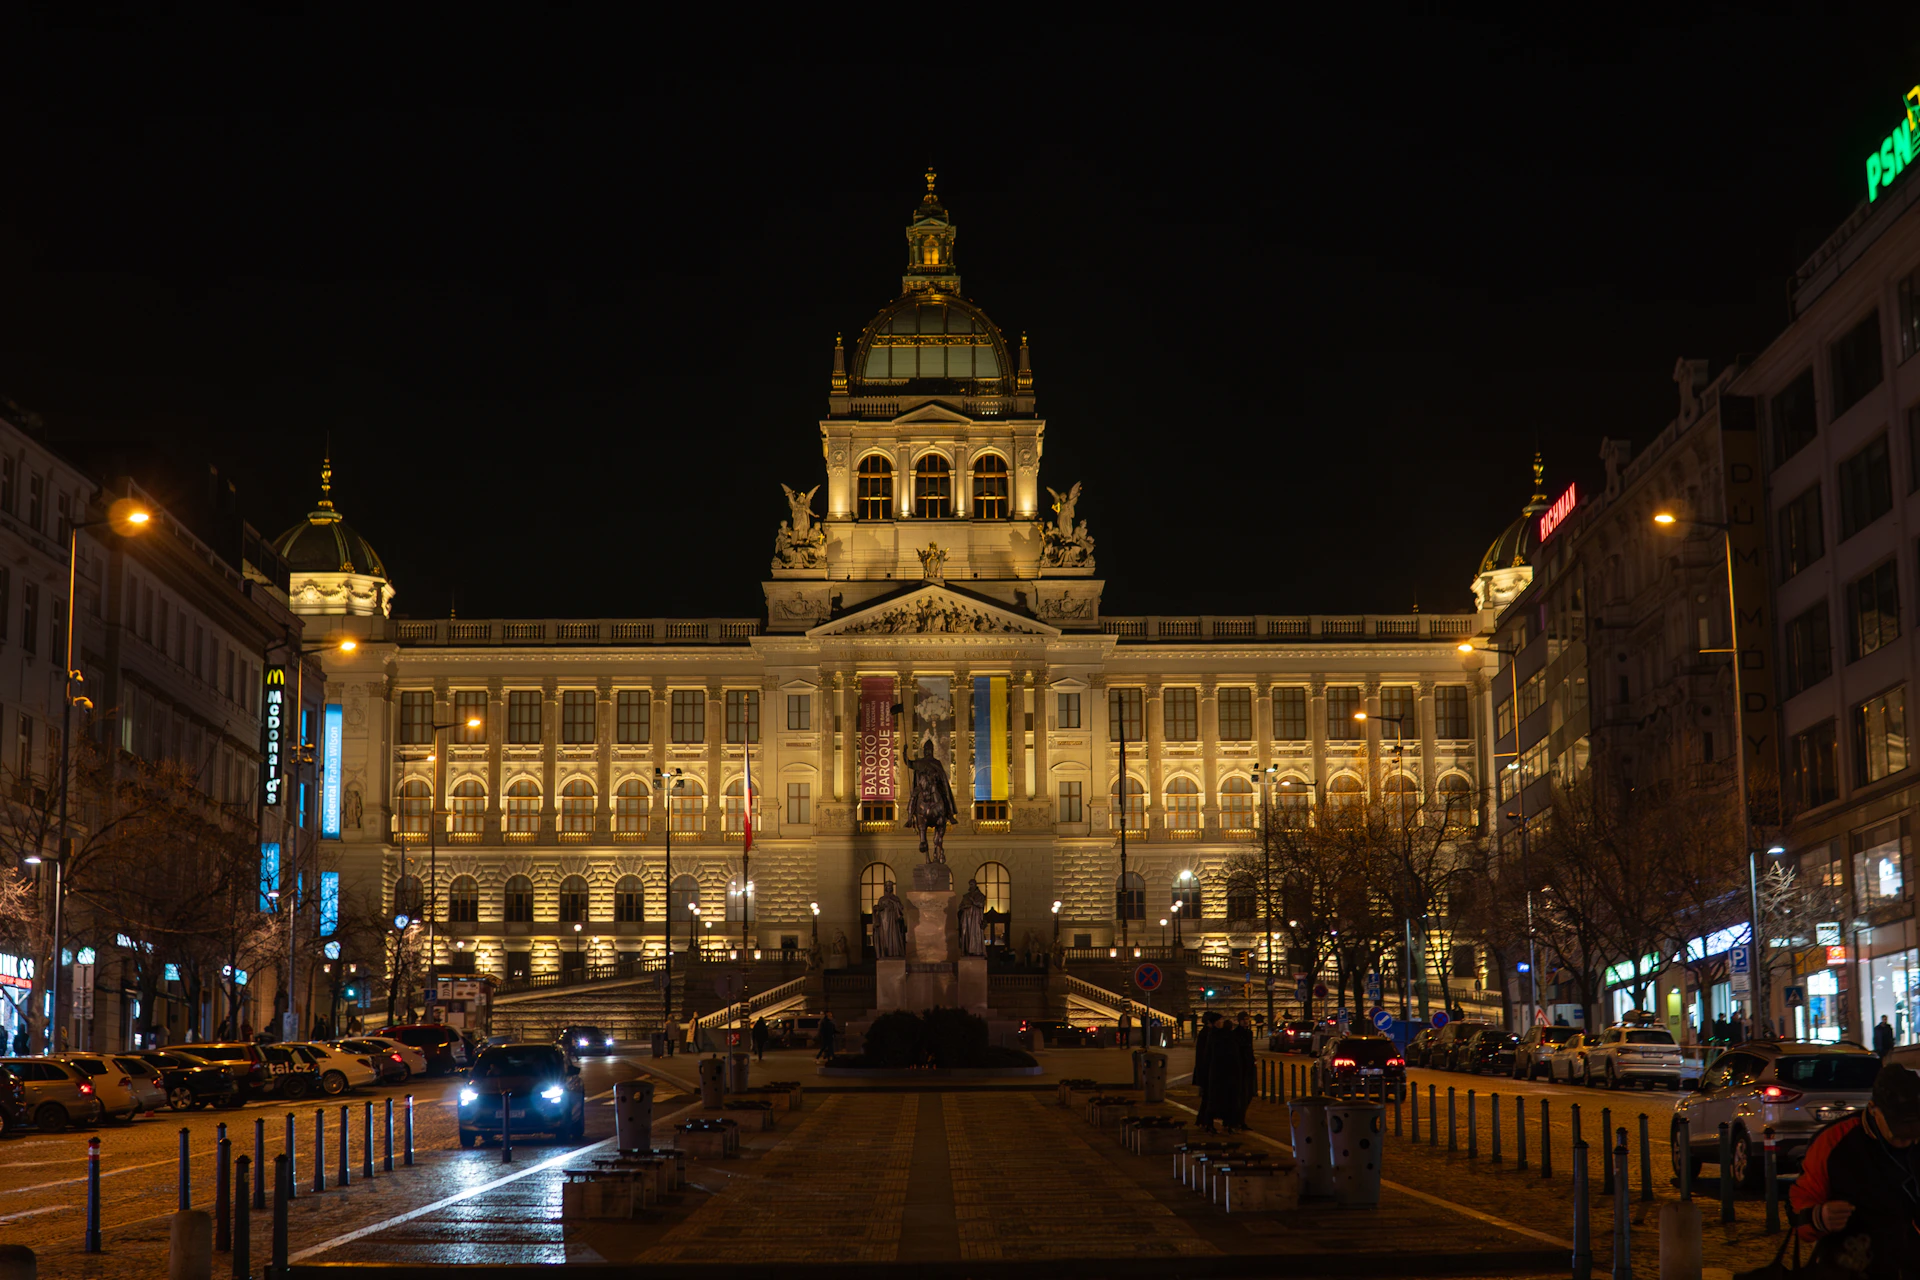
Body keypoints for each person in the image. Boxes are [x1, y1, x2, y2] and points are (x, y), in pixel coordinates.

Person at [1790, 1062, 1920, 1279]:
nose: (1908, 1138)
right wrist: (1818, 1216)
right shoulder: (1834, 1142)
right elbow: (1798, 1208)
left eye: (1915, 1128)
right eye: (1898, 1129)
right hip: (1852, 1267)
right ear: (1873, 1110)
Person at [1194, 1011, 1221, 1132]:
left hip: (1206, 1070)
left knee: (1207, 1098)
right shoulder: (1207, 1034)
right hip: (1207, 1071)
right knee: (1209, 1098)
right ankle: (1206, 1122)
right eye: (1218, 1021)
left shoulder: (1207, 1033)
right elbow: (1204, 1055)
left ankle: (1202, 1120)